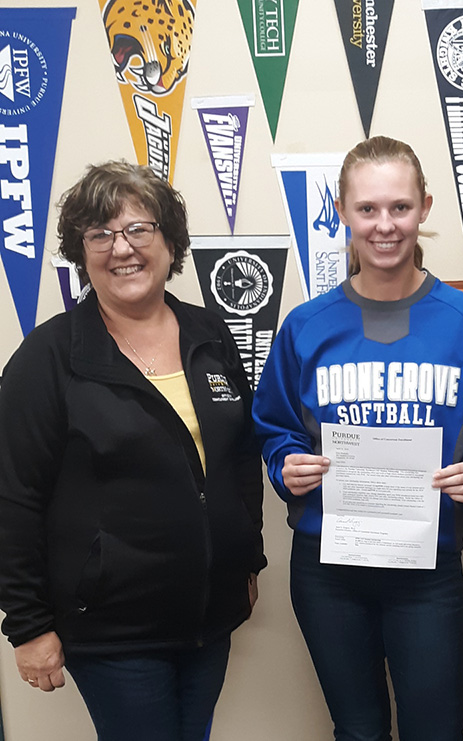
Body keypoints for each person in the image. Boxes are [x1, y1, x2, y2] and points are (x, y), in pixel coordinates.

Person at [0, 161, 266, 741]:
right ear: (82, 251)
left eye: (139, 229)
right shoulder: (50, 357)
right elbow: (12, 497)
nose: (121, 248)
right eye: (100, 233)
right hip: (113, 630)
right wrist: (27, 626)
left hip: (208, 618)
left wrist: (249, 555)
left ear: (170, 243)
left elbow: (241, 456)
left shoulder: (209, 335)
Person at [252, 136, 463, 741]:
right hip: (328, 570)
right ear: (342, 211)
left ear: (426, 207)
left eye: (400, 207)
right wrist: (285, 464)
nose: (385, 225)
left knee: (436, 732)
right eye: (367, 209)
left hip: (427, 566)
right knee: (358, 732)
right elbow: (274, 426)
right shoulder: (306, 326)